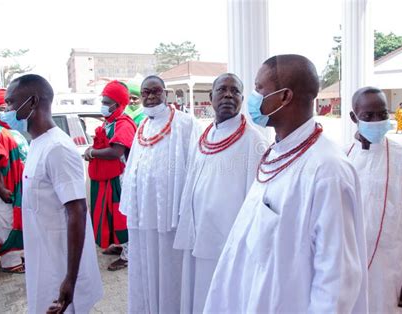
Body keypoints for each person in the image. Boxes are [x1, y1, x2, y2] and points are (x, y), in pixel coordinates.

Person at [203, 55, 368, 313]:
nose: (254, 97)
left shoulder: (328, 169)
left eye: (259, 89)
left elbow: (337, 278)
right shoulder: (277, 151)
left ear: (284, 97)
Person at [5, 74, 102, 313]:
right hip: (44, 261)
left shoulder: (57, 148)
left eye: (10, 102)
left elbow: (77, 211)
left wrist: (69, 279)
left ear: (33, 101)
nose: (5, 110)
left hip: (60, 269)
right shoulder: (38, 143)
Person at [173, 73, 268, 313]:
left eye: (234, 91)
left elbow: (257, 200)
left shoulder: (253, 141)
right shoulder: (205, 136)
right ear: (211, 97)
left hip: (227, 241)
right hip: (198, 234)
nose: (228, 95)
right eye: (222, 90)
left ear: (242, 98)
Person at [119, 75, 201, 313]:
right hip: (144, 214)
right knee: (145, 267)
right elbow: (134, 165)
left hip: (171, 218)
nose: (151, 96)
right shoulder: (142, 125)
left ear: (166, 93)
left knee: (169, 269)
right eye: (146, 92)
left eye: (156, 91)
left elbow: (196, 168)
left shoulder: (186, 124)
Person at [347, 86, 402, 313]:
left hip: (391, 270)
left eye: (382, 114)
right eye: (368, 116)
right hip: (350, 269)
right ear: (354, 117)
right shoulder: (340, 158)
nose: (377, 120)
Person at [84, 80, 136, 271]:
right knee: (111, 214)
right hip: (108, 177)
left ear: (118, 104)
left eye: (107, 102)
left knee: (122, 215)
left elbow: (116, 152)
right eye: (103, 101)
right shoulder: (110, 123)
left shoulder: (123, 124)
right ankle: (121, 245)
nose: (103, 106)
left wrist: (92, 152)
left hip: (120, 179)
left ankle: (129, 255)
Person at [0, 88, 28, 273]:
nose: (6, 112)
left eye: (8, 107)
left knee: (18, 221)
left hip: (18, 186)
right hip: (2, 188)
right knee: (5, 223)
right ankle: (10, 263)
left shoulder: (13, 130)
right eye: (2, 108)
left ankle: (19, 256)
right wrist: (1, 188)